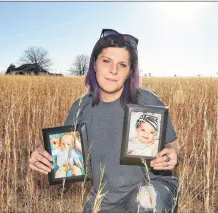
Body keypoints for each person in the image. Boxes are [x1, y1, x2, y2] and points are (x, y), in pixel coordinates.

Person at [28, 29, 181, 213]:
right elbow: (65, 159)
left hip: (153, 185)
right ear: (94, 64)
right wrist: (43, 156)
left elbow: (173, 144)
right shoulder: (80, 108)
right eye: (106, 61)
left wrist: (171, 154)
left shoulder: (147, 100)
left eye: (122, 64)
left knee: (143, 204)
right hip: (106, 196)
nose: (113, 70)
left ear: (130, 71)